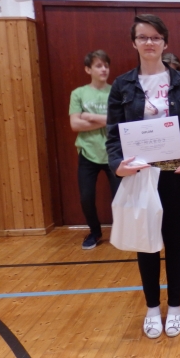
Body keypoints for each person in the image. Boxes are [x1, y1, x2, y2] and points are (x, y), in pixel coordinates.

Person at [106, 14, 180, 339]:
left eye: (155, 37)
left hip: (176, 173)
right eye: (143, 37)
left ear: (165, 43)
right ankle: (152, 307)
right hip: (140, 175)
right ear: (134, 43)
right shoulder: (122, 86)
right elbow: (113, 135)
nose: (149, 42)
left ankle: (175, 305)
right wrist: (117, 164)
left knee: (175, 239)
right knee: (146, 241)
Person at [69, 50, 121, 250]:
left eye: (106, 65)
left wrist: (90, 117)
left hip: (113, 153)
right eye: (98, 66)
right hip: (88, 153)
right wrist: (106, 120)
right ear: (88, 69)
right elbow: (75, 124)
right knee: (86, 197)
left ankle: (121, 233)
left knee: (120, 198)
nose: (104, 69)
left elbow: (119, 122)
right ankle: (95, 232)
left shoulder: (115, 92)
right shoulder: (78, 93)